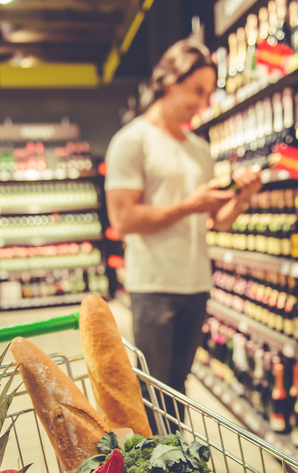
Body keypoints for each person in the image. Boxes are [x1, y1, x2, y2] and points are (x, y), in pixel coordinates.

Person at [105, 39, 262, 429]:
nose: (203, 103)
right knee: (154, 389)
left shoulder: (198, 149)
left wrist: (243, 199)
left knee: (178, 384)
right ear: (170, 80)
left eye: (208, 94)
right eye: (197, 91)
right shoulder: (132, 141)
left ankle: (176, 463)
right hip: (154, 285)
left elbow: (216, 221)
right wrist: (188, 205)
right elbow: (123, 219)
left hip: (195, 283)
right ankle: (158, 468)